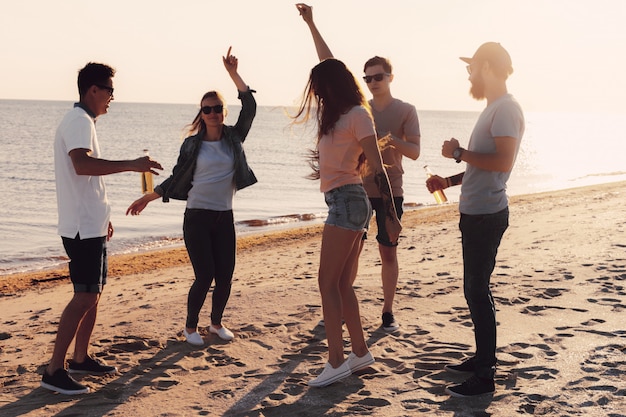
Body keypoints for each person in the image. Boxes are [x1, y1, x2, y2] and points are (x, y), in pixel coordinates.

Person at [294, 4, 402, 388]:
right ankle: (359, 353)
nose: (317, 93)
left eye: (320, 87)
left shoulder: (357, 114)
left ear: (331, 88)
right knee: (341, 284)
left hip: (349, 201)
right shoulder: (339, 109)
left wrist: (390, 214)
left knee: (326, 283)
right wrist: (311, 24)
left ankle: (336, 361)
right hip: (344, 201)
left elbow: (378, 165)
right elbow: (329, 62)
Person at [43, 62, 163, 395]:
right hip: (81, 227)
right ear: (92, 90)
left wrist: (103, 215)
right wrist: (132, 165)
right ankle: (54, 370)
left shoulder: (84, 121)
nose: (112, 97)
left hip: (90, 223)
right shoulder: (79, 121)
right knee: (84, 296)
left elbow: (87, 177)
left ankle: (80, 358)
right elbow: (81, 165)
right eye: (109, 90)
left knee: (93, 295)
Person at [126, 47, 257, 347]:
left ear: (224, 112)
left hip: (225, 215)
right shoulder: (191, 145)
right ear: (201, 114)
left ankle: (217, 324)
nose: (211, 113)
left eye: (216, 108)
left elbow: (249, 106)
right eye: (206, 109)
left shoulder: (234, 138)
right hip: (197, 216)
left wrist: (233, 74)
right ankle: (190, 328)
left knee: (225, 275)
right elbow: (177, 176)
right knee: (205, 275)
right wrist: (148, 197)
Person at [426, 42, 525, 397]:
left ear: (487, 67)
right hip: (476, 212)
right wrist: (448, 181)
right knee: (474, 291)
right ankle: (481, 358)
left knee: (477, 291)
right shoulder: (494, 108)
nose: (468, 74)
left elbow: (502, 161)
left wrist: (457, 152)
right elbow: (481, 166)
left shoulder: (506, 109)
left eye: (471, 67)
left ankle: (485, 375)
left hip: (486, 214)